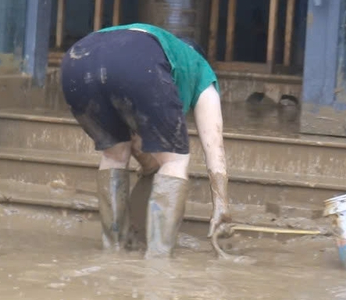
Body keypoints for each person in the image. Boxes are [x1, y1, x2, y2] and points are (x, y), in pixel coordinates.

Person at [59, 23, 232, 257]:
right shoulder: (200, 69)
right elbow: (214, 148)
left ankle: (115, 249)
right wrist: (221, 205)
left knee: (114, 154)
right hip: (135, 60)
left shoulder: (157, 45)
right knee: (176, 160)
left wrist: (150, 167)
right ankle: (158, 259)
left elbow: (138, 140)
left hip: (77, 60)